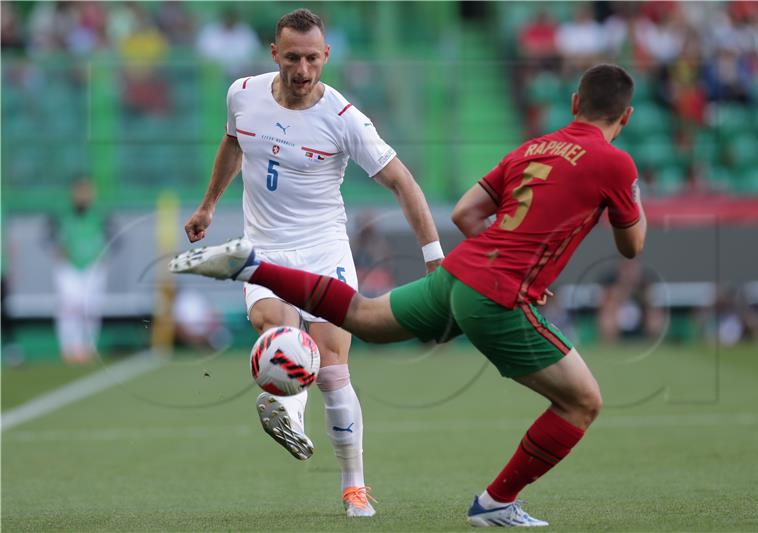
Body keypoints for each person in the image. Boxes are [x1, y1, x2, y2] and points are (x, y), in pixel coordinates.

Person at [172, 63, 646, 527]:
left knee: (362, 317)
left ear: (574, 104)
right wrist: (627, 195)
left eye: (311, 57)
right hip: (499, 294)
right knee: (582, 402)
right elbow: (632, 245)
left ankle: (253, 268)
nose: (302, 66)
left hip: (460, 273)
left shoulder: (533, 148)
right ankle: (496, 502)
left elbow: (466, 213)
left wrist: (485, 254)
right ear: (624, 118)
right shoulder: (616, 163)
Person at [181, 9, 442, 518]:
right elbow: (234, 142)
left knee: (333, 367)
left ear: (326, 56)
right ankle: (291, 418)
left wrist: (435, 259)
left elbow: (403, 183)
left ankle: (353, 487)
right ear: (274, 54)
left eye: (312, 58)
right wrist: (210, 202)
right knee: (273, 321)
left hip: (324, 248)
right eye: (293, 57)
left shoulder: (344, 120)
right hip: (264, 247)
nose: (303, 69)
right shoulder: (242, 94)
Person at [50, 178, 111, 364]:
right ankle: (70, 348)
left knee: (91, 307)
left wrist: (102, 256)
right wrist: (59, 251)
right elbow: (48, 237)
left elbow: (115, 239)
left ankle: (88, 347)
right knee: (70, 306)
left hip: (93, 266)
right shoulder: (62, 215)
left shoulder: (100, 215)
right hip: (69, 267)